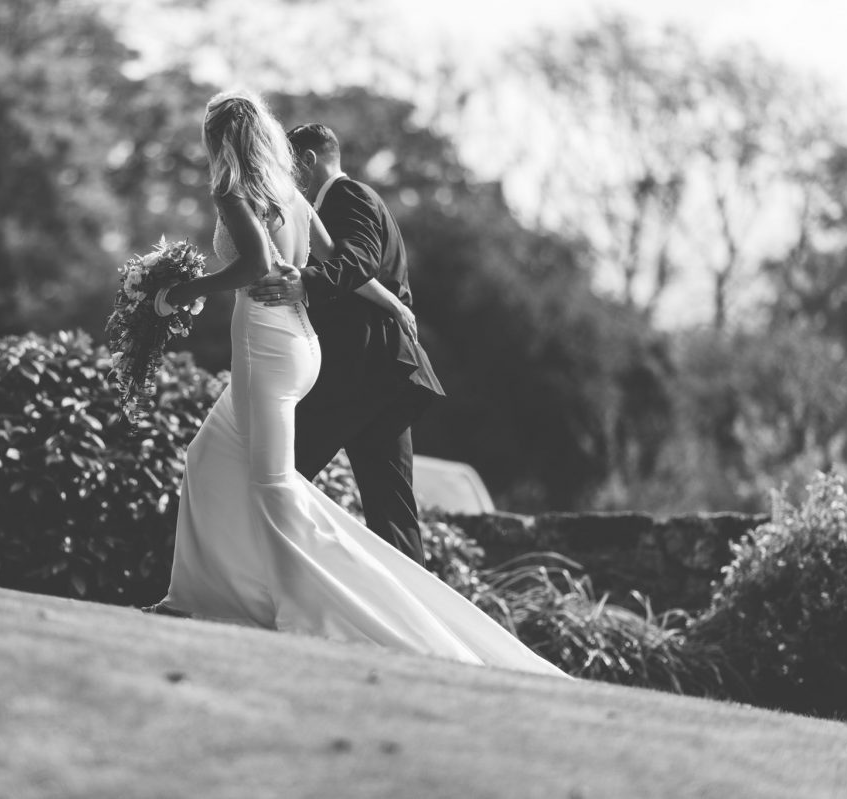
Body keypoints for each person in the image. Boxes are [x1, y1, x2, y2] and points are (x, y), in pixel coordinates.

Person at [145, 89, 567, 677]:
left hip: (277, 349)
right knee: (209, 457)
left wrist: (175, 294)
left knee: (275, 484)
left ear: (220, 142)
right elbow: (344, 257)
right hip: (309, 352)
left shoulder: (246, 191)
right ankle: (197, 594)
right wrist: (393, 301)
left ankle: (317, 605)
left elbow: (260, 269)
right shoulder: (292, 196)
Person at [248, 123, 445, 566]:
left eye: (287, 165)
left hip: (361, 370)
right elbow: (361, 267)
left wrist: (306, 285)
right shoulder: (338, 204)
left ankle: (278, 577)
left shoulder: (347, 196)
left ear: (308, 161)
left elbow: (358, 260)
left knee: (280, 468)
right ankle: (409, 621)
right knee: (392, 509)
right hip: (387, 374)